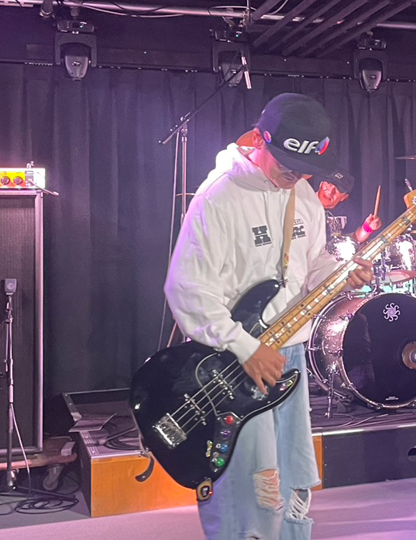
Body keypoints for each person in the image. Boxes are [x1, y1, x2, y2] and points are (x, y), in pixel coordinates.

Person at [164, 93, 373, 540]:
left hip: (288, 355)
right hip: (235, 361)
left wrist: (342, 275)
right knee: (249, 484)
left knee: (293, 476)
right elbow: (186, 288)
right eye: (287, 166)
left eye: (305, 170)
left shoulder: (303, 195)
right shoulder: (219, 198)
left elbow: (311, 264)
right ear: (260, 140)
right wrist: (245, 347)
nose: (295, 177)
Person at [314, 169, 382, 244]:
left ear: (344, 197)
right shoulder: (304, 201)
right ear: (321, 184)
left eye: (338, 189)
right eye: (329, 183)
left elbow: (353, 239)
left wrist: (367, 228)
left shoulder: (349, 212)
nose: (330, 191)